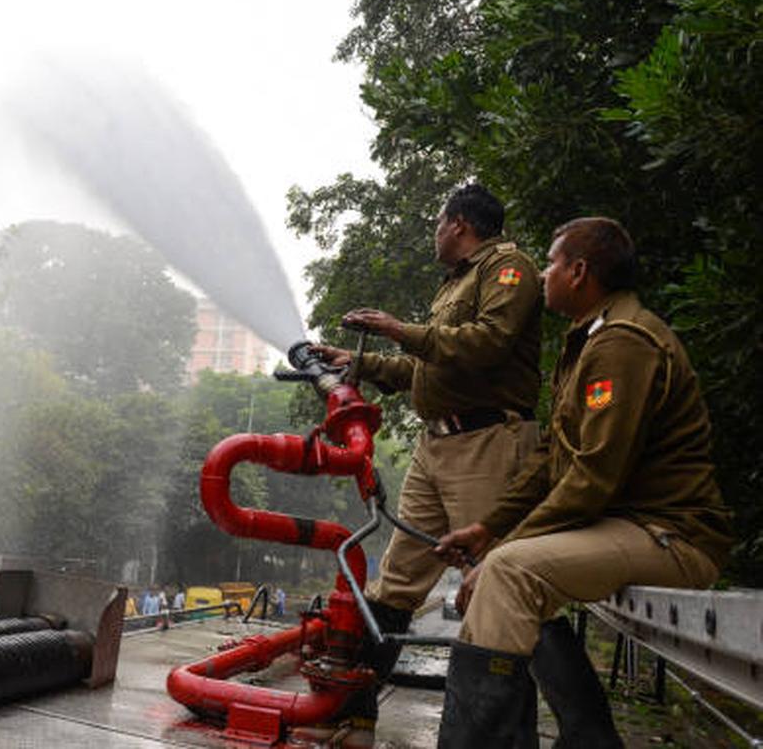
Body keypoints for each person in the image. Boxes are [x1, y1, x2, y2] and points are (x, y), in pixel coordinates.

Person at [433, 217, 734, 748]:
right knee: (506, 567)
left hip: (672, 535)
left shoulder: (622, 343)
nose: (543, 273)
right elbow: (552, 458)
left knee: (507, 573)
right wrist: (487, 529)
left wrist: (503, 549)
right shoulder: (590, 339)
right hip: (633, 527)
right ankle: (589, 738)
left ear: (578, 272)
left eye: (550, 262)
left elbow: (595, 477)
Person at [307, 183, 543, 739]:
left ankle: (535, 732)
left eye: (438, 222)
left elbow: (488, 342)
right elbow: (431, 368)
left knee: (495, 583)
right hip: (435, 446)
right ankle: (353, 711)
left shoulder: (509, 269)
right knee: (395, 584)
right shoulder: (454, 284)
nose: (434, 233)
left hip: (485, 442)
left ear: (458, 223)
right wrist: (359, 364)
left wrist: (398, 330)